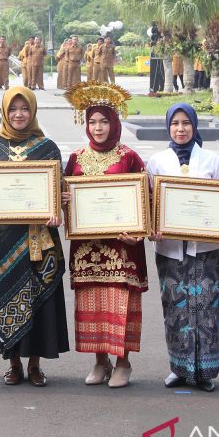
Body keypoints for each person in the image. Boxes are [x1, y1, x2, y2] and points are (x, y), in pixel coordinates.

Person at [0, 87, 69, 386]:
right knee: (5, 295)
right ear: (5, 111)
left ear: (33, 111)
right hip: (0, 240)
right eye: (13, 109)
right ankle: (13, 363)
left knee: (36, 299)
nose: (19, 114)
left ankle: (35, 365)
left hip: (36, 239)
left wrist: (57, 211)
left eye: (24, 108)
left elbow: (59, 188)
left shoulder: (47, 147)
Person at [145, 102, 219, 391]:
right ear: (168, 127)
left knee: (208, 309)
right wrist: (152, 227)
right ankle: (179, 368)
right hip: (171, 250)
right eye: (175, 123)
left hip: (207, 251)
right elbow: (148, 202)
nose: (181, 129)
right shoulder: (156, 161)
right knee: (176, 309)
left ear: (195, 125)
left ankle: (205, 372)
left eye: (186, 123)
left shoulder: (211, 160)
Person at [62, 82, 148, 388]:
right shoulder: (75, 158)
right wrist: (64, 201)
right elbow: (65, 195)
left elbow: (144, 201)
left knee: (119, 303)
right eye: (92, 122)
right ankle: (100, 361)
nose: (98, 128)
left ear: (115, 123)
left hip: (121, 249)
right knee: (92, 304)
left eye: (104, 121)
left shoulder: (130, 158)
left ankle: (123, 362)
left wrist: (137, 233)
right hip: (87, 249)